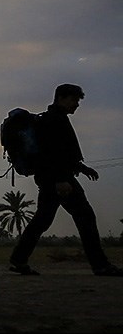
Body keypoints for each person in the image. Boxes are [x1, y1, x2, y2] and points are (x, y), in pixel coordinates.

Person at [9, 84, 123, 276]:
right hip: (59, 181)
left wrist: (82, 168)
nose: (76, 105)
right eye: (74, 100)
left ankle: (18, 260)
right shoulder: (53, 121)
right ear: (61, 98)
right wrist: (61, 180)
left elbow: (63, 153)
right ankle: (100, 265)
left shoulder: (54, 119)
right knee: (85, 217)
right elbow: (51, 155)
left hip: (52, 179)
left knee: (42, 220)